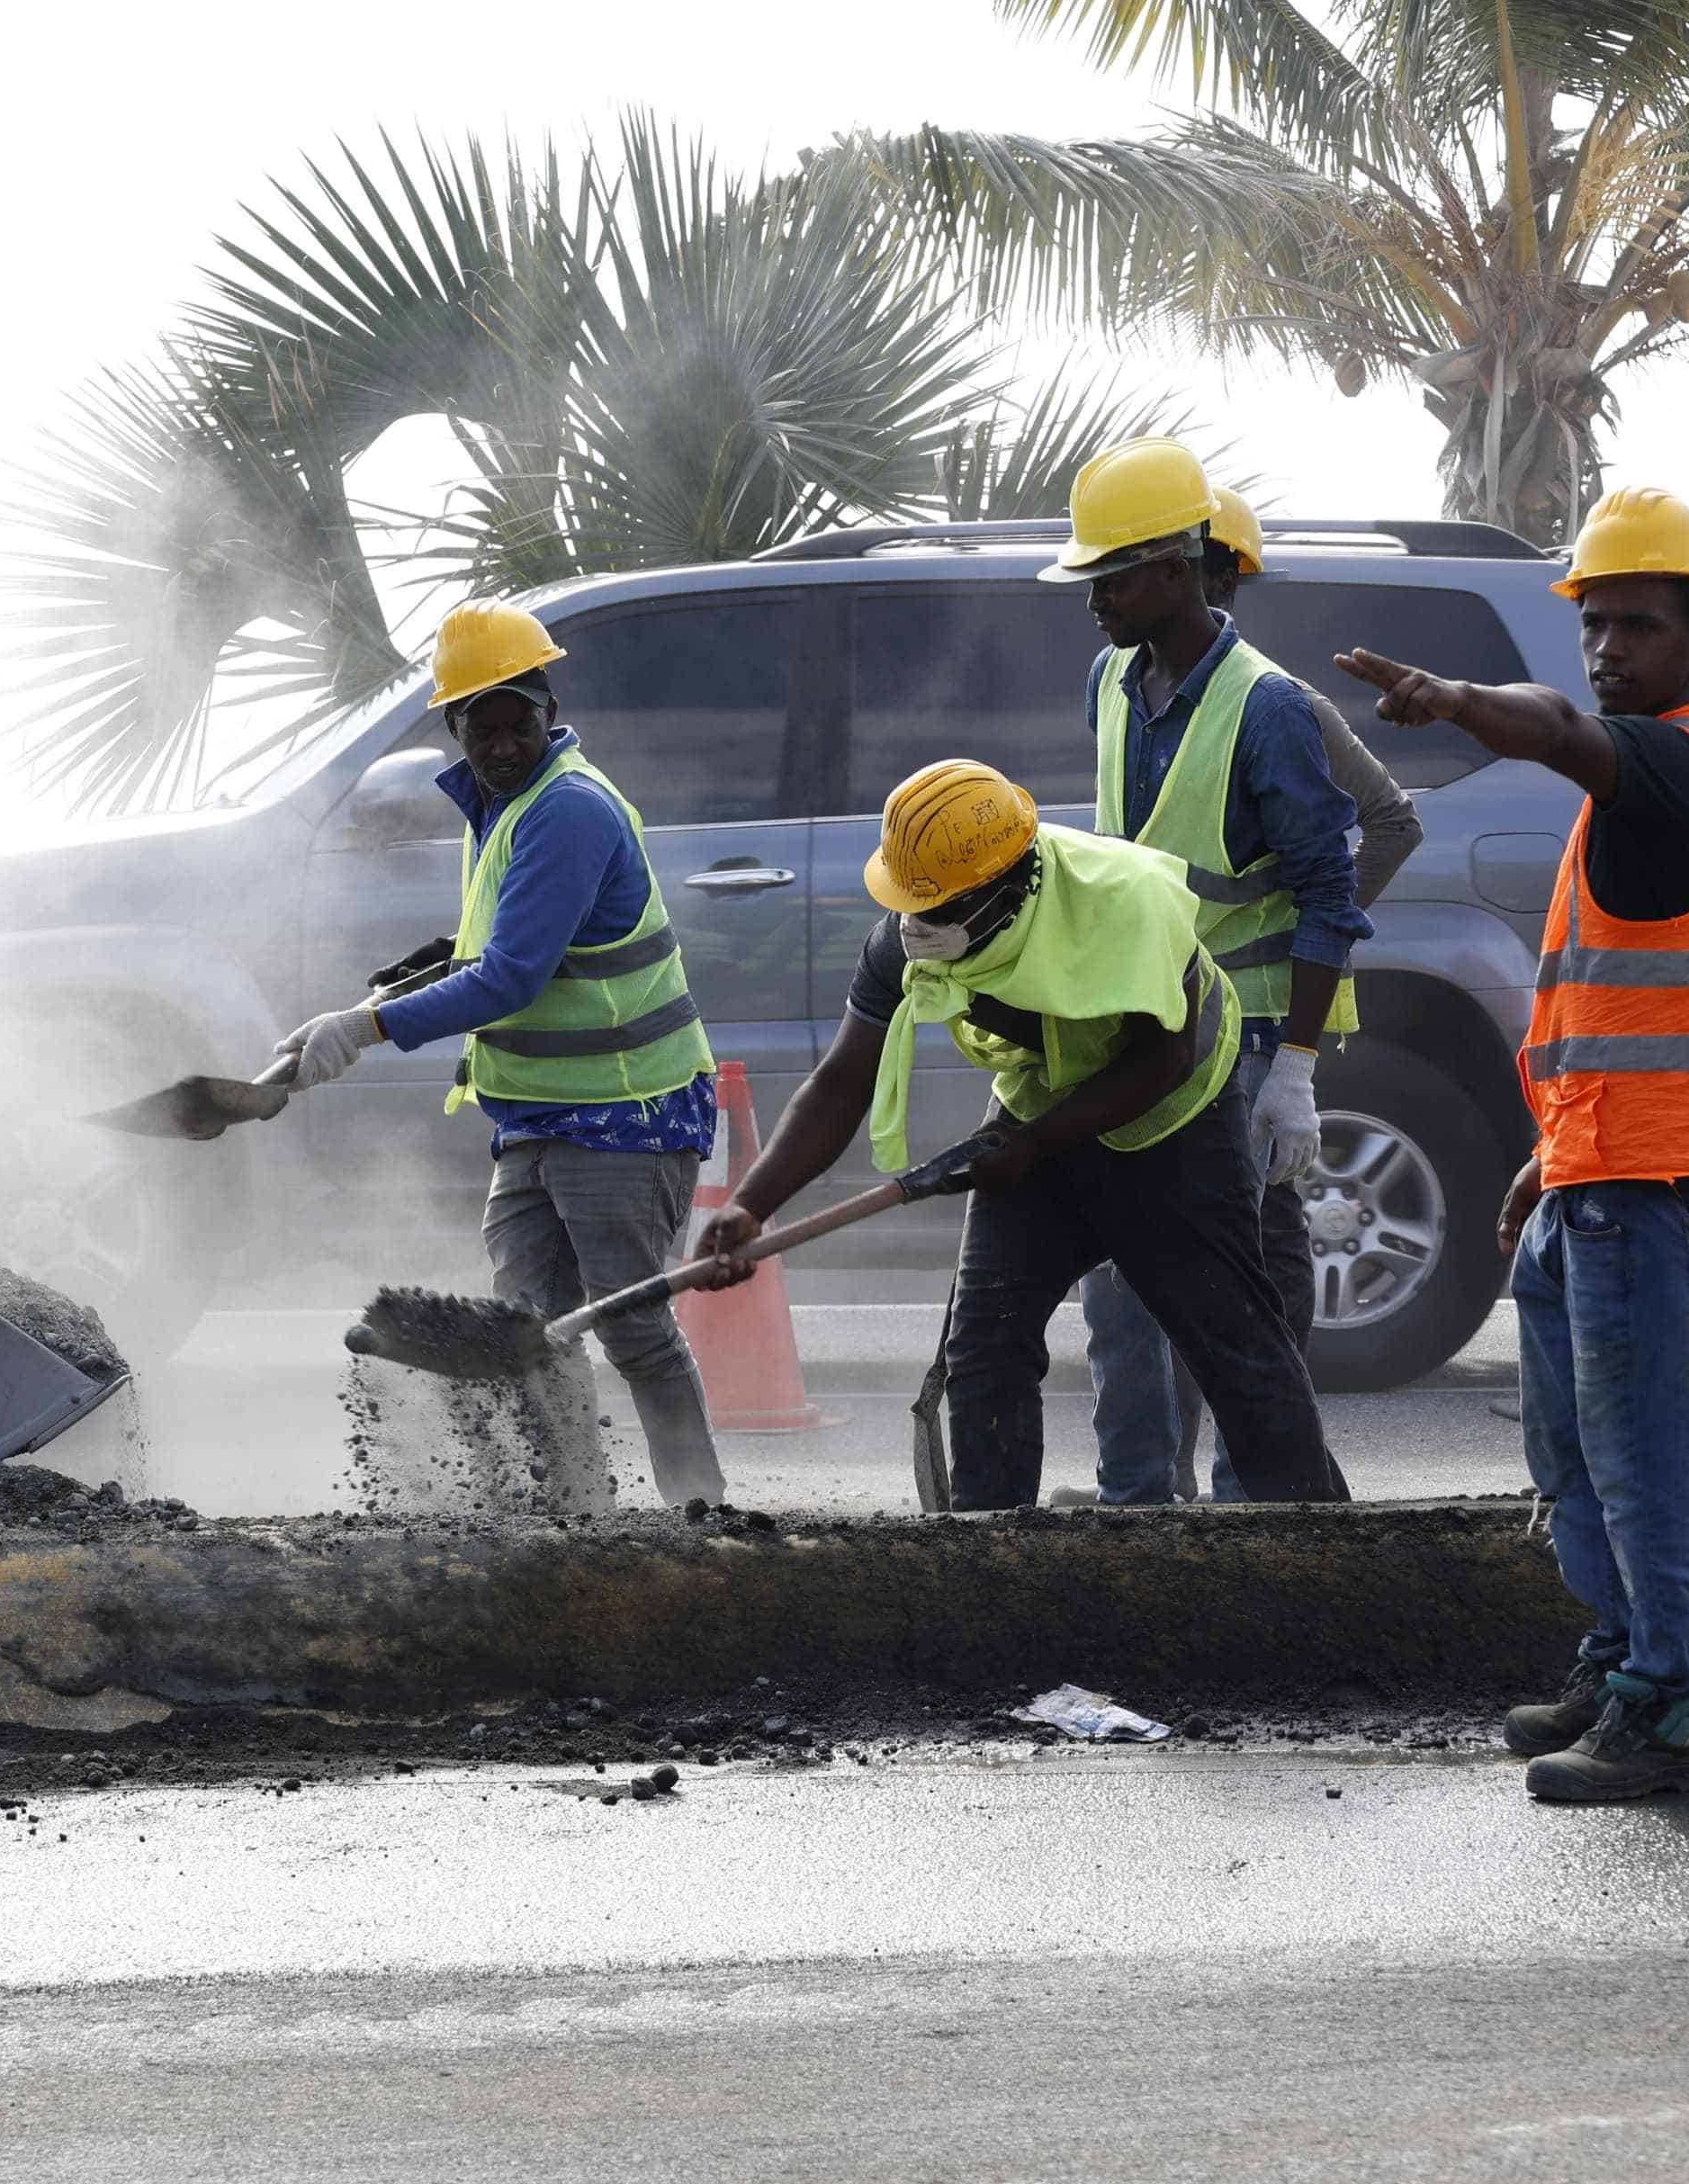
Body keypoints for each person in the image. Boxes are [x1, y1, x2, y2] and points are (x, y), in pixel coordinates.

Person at [1336, 488, 1689, 1803]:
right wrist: (1543, 1153)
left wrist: (1460, 700)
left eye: (1639, 623)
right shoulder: (1628, 793)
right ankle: (1620, 1658)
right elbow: (1608, 1005)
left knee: (1649, 1457)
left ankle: (1669, 1711)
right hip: (1594, 1171)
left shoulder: (1669, 766)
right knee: (1578, 1451)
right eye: (1594, 623)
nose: (1608, 647)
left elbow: (1568, 730)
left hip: (1652, 1189)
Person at [685, 759, 1347, 1511]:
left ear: (1008, 888)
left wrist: (1032, 1147)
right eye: (910, 906)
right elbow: (840, 1085)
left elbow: (1162, 1059)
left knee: (1236, 1347)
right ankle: (991, 1551)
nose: (916, 927)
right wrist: (749, 1205)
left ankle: (1318, 1542)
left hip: (1176, 1117)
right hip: (1040, 1109)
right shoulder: (909, 934)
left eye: (937, 911)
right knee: (986, 1345)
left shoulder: (1122, 902)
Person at [283, 600, 726, 1507]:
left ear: (545, 710)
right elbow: (505, 934)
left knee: (632, 1330)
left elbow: (514, 976)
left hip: (622, 1113)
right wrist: (417, 974)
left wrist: (363, 1029)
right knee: (528, 1330)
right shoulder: (504, 806)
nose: (497, 742)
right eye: (476, 725)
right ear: (453, 728)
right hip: (533, 1115)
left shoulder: (566, 808)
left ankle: (703, 1516)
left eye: (514, 720)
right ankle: (569, 1515)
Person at [1047, 442, 1371, 1504]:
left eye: (1112, 576)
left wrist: (1297, 1072)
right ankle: (1136, 1504)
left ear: (1180, 568)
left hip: (1243, 1044)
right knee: (1118, 1296)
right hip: (1139, 1033)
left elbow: (1330, 892)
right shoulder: (1108, 679)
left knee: (1234, 1297)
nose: (1092, 598)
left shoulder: (1267, 708)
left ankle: (1253, 1516)